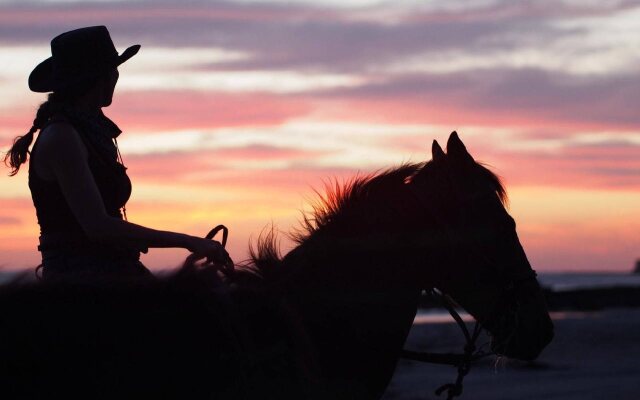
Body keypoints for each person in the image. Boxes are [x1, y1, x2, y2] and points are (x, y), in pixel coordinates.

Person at [3, 26, 230, 281]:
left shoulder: (87, 132)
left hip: (111, 270)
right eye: (112, 69)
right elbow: (98, 227)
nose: (116, 76)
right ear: (97, 78)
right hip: (82, 280)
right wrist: (189, 241)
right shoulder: (62, 138)